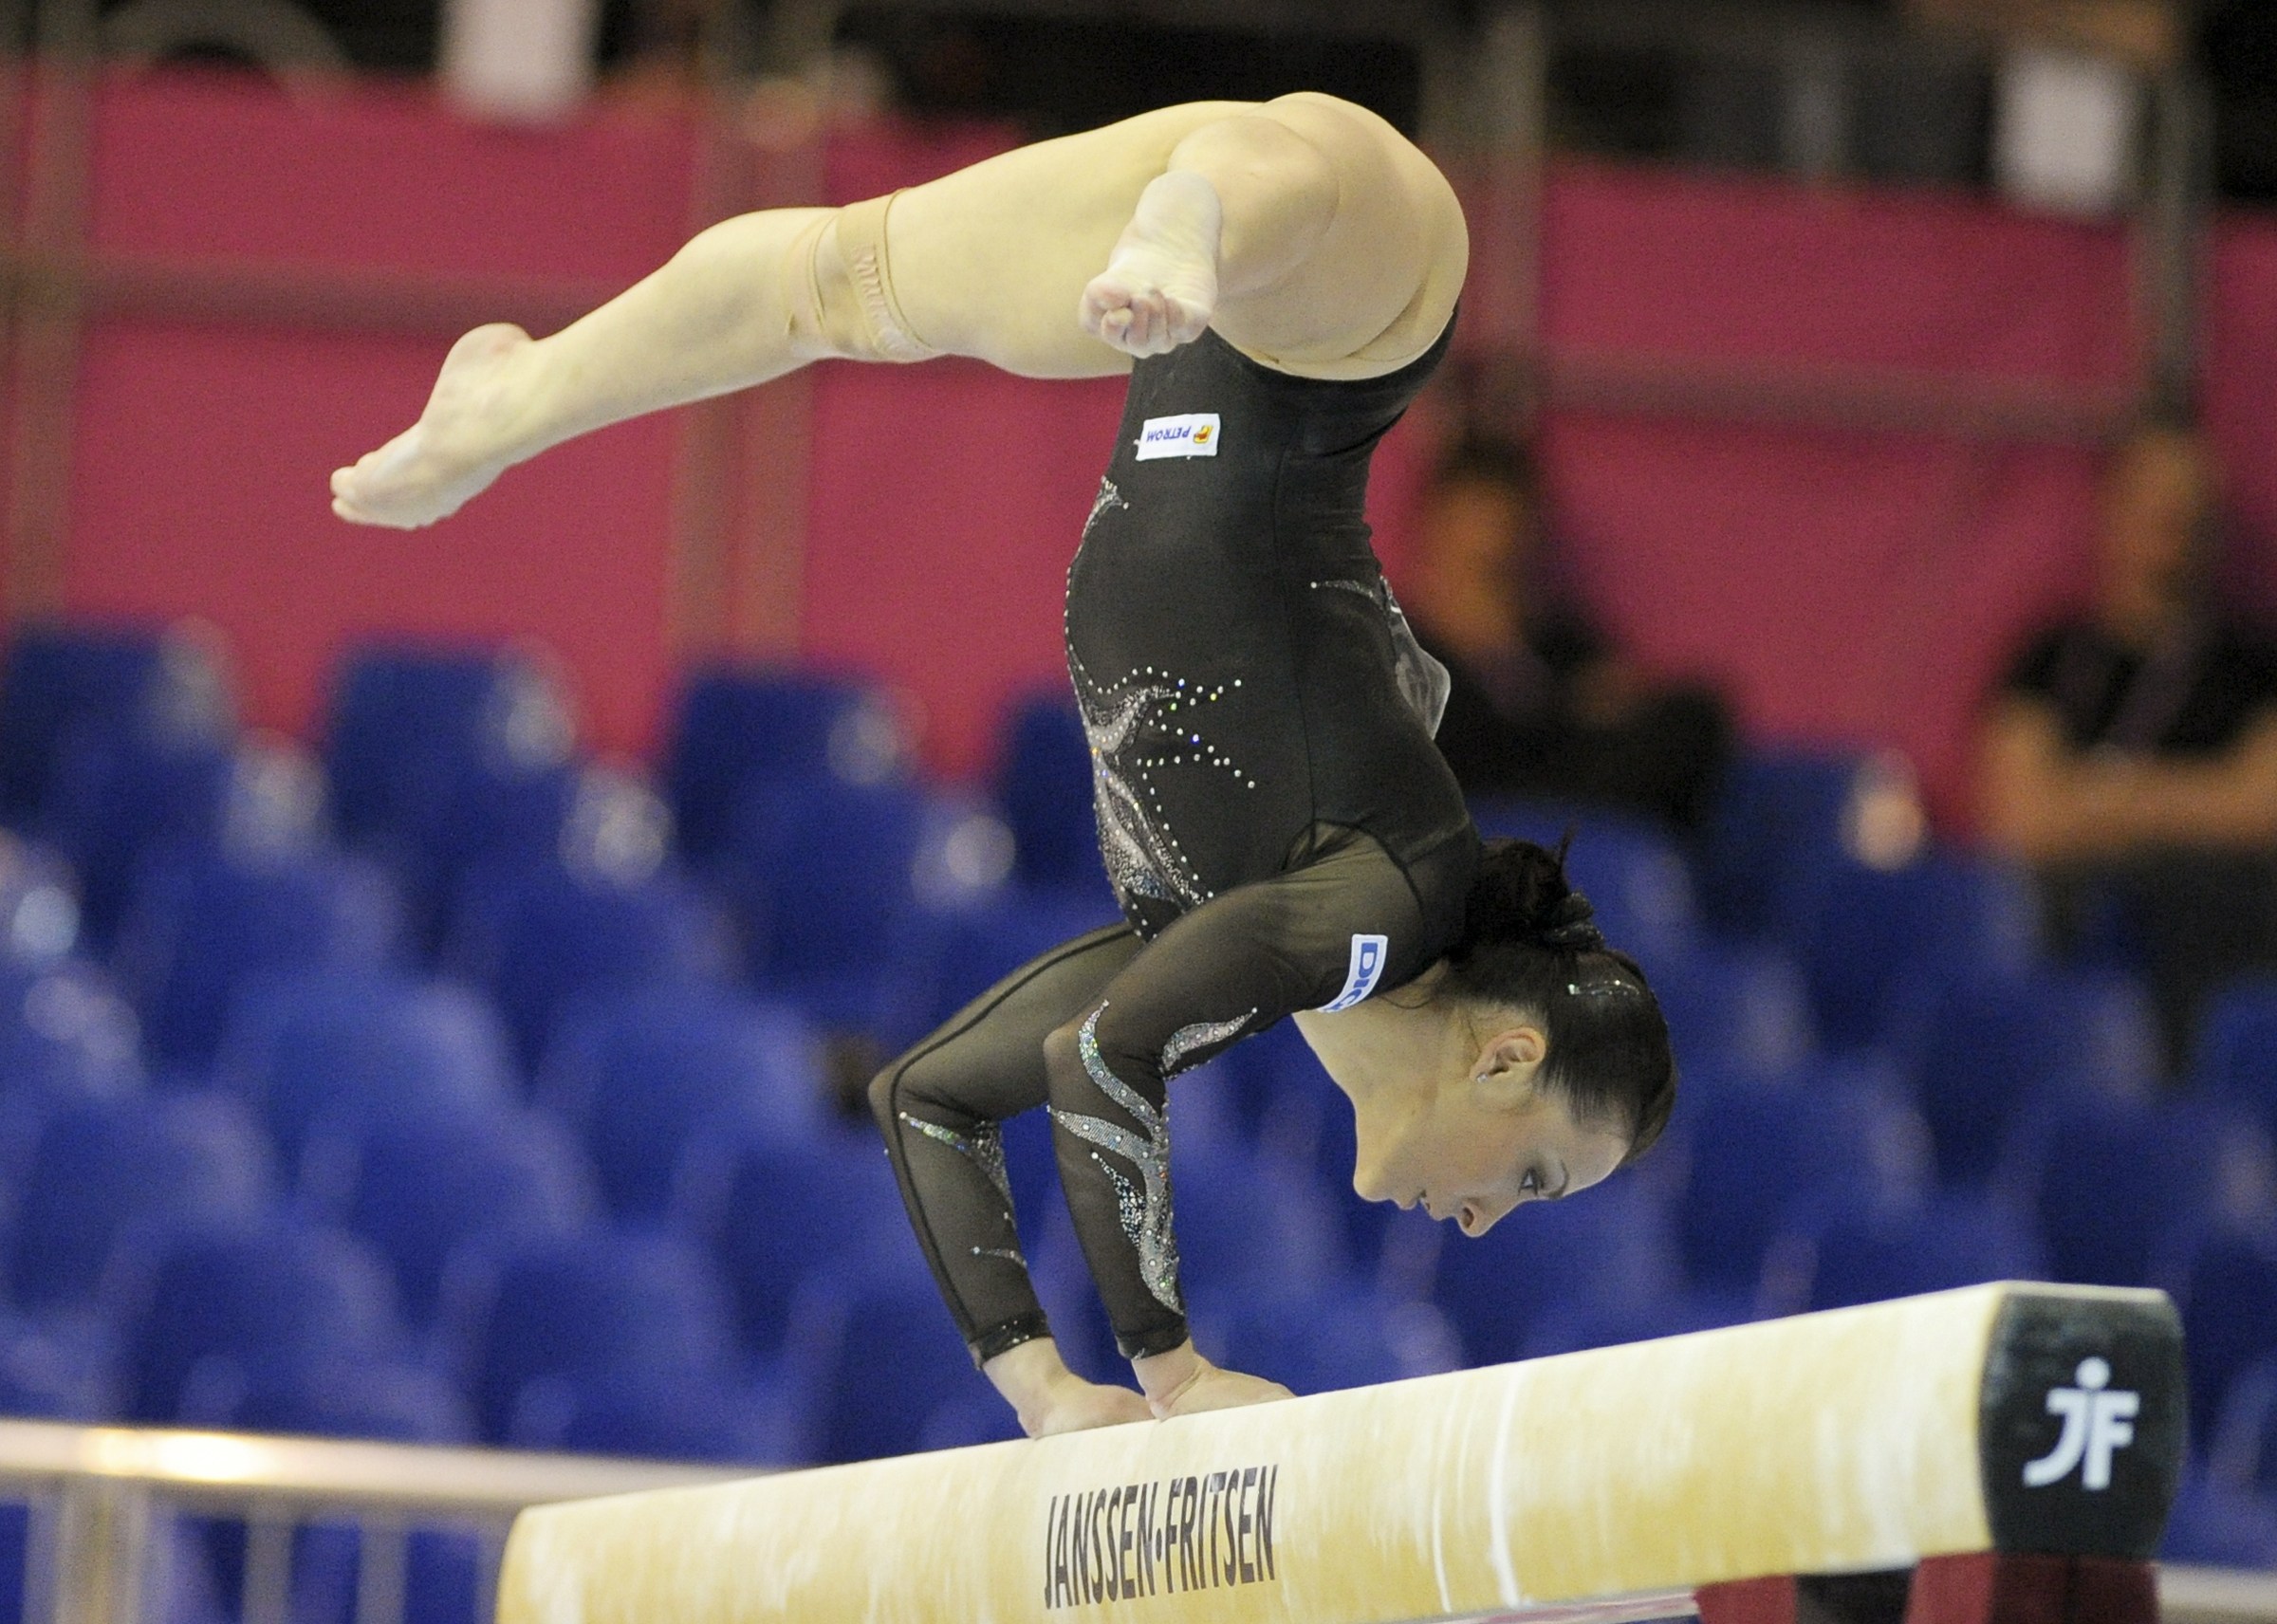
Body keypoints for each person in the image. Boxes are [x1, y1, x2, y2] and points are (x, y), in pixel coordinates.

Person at [331, 94, 1675, 1437]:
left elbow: (929, 1099)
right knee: (1316, 178)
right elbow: (1110, 1061)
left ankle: (513, 396)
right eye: (1543, 1177)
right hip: (1348, 325)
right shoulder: (1383, 912)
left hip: (1202, 368)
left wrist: (1042, 1388)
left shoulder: (1268, 946)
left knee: (831, 287)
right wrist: (1173, 1375)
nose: (1494, 1223)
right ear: (1506, 1059)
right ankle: (1199, 212)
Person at [1978, 416, 2277, 1061]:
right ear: (2110, 516)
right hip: (2072, 935)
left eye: (2191, 515)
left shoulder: (2255, 669)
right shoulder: (2049, 660)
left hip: (2216, 936)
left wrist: (2101, 798)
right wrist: (2195, 799)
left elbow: (2262, 810)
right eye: (2157, 513)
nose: (2175, 536)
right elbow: (2022, 819)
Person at [1405, 436, 1731, 830]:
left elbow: (1632, 708)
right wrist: (1565, 711)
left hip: (1588, 804)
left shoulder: (1561, 644)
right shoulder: (1397, 653)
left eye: (1505, 522)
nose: (1493, 542)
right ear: (1435, 531)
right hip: (1478, 822)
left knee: (1693, 716)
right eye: (1475, 521)